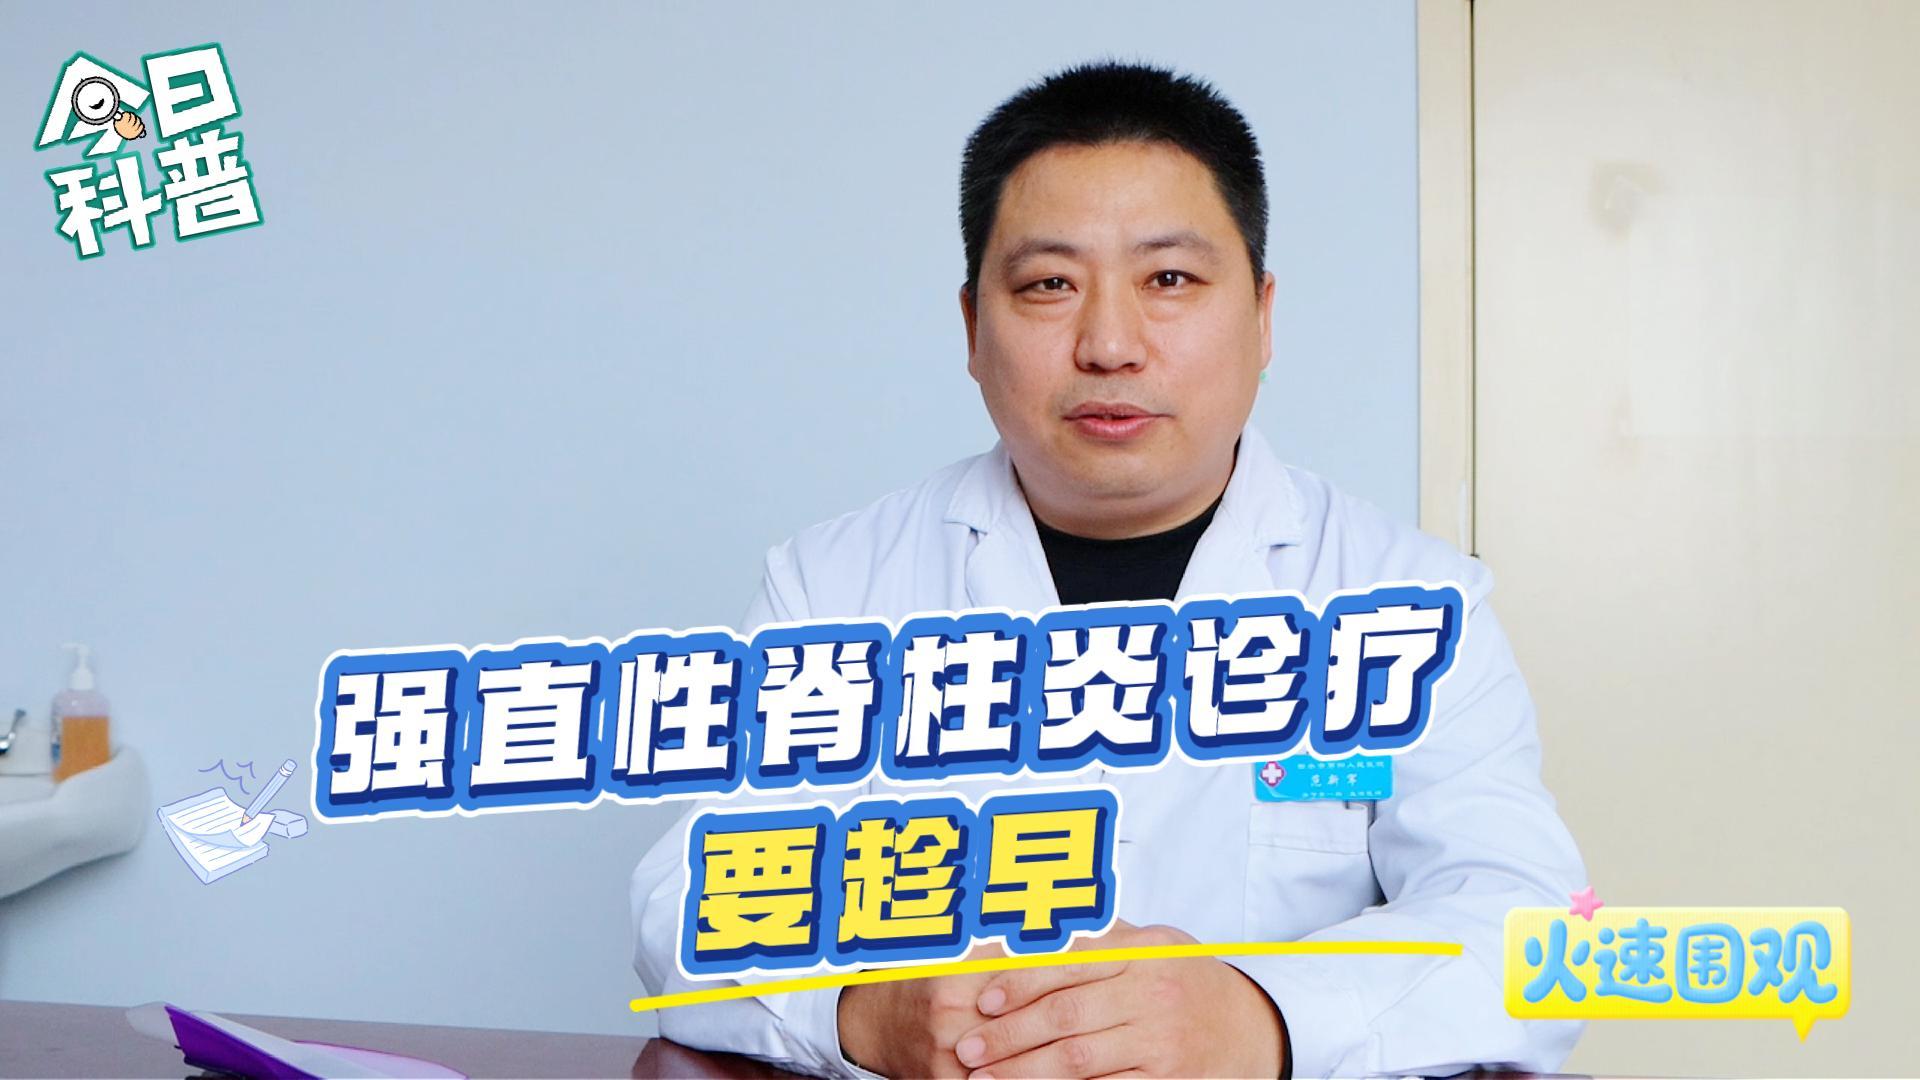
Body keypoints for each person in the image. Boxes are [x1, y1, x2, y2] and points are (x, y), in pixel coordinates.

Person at [631, 60, 1586, 1078]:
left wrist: (1263, 1017)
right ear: (973, 328)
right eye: (1050, 284)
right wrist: (863, 1012)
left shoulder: (1410, 604)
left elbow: (1530, 929)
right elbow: (683, 903)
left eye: (1169, 280)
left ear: (1263, 316)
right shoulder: (833, 586)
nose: (1110, 343)